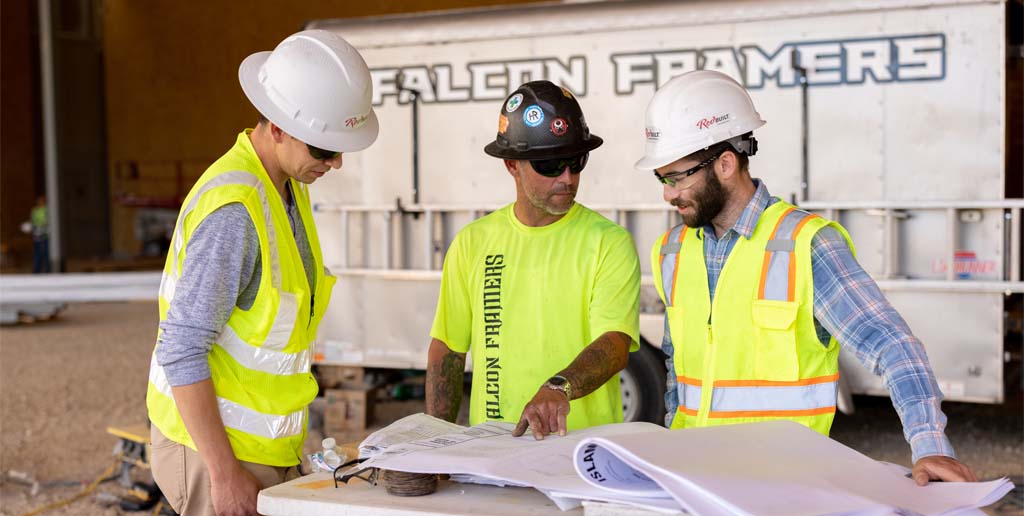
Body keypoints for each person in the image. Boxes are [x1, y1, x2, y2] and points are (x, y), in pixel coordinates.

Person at [636, 70, 977, 485]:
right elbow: (677, 373)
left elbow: (892, 345)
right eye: (662, 178)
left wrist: (930, 446)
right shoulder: (671, 251)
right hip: (694, 484)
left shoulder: (806, 244)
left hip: (786, 488)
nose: (667, 194)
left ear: (725, 164)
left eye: (676, 177)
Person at [145, 30, 378, 516]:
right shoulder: (235, 212)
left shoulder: (287, 185)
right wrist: (224, 473)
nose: (334, 163)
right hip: (218, 453)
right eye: (323, 148)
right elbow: (182, 348)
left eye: (340, 149)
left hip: (264, 449)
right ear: (276, 126)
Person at [425, 80, 641, 440]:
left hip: (581, 456)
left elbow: (615, 343)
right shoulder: (472, 243)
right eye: (551, 164)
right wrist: (438, 442)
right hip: (493, 452)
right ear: (512, 165)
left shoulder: (609, 242)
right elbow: (448, 349)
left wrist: (559, 388)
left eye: (576, 161)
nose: (568, 178)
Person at [29, 196, 50, 273]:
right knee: (37, 255)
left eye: (41, 201)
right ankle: (36, 271)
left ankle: (47, 270)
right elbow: (32, 221)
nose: (40, 202)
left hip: (45, 236)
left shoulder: (47, 210)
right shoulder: (34, 210)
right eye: (39, 201)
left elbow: (48, 221)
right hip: (37, 236)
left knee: (46, 254)